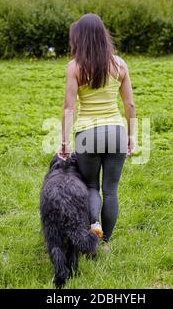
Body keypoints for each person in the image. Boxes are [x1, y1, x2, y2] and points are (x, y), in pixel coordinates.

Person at [58, 13, 136, 243]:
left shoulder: (75, 67)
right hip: (115, 132)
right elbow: (129, 103)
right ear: (103, 35)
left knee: (91, 186)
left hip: (87, 135)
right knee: (111, 190)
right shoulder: (120, 64)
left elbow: (68, 106)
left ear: (79, 38)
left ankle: (93, 225)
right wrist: (131, 135)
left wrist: (64, 140)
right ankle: (106, 241)